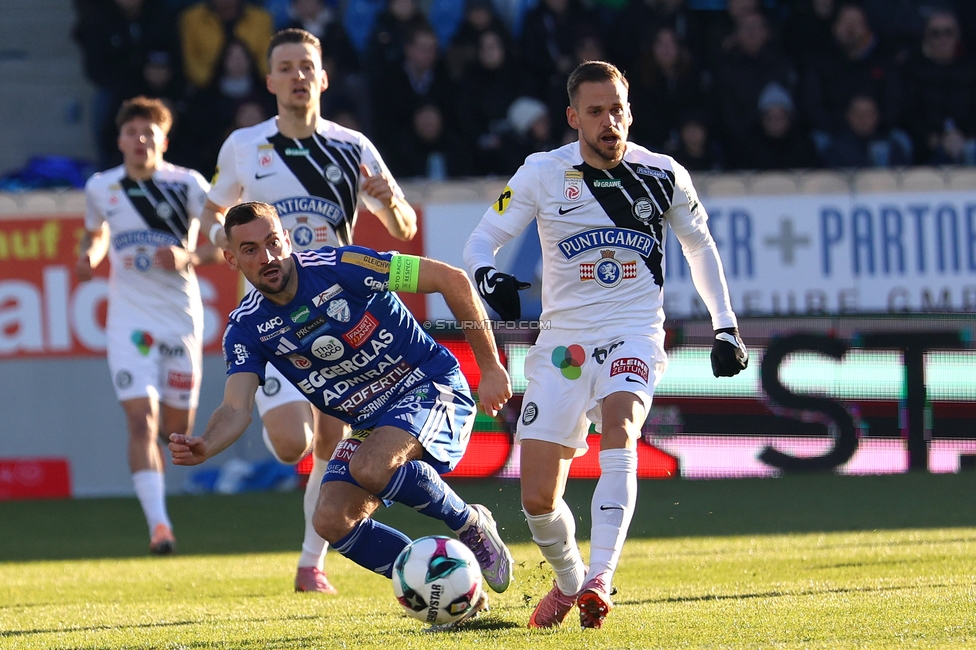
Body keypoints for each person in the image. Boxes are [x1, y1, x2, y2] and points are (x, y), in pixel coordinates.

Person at [463, 61, 748, 629]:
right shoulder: (542, 173)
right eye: (595, 112)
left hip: (634, 332)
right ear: (573, 118)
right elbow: (481, 240)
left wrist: (726, 325)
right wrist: (486, 276)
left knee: (621, 428)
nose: (609, 122)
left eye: (617, 109)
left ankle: (600, 577)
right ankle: (570, 581)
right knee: (538, 500)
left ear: (630, 110)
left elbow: (701, 248)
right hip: (563, 346)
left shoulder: (664, 175)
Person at [168, 201, 514, 627]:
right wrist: (207, 444)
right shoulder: (247, 328)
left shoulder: (344, 265)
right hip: (372, 424)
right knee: (331, 519)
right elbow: (236, 406)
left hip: (429, 387)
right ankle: (441, 589)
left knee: (372, 465)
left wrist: (491, 365)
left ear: (288, 240)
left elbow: (450, 279)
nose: (268, 258)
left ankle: (469, 523)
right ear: (231, 258)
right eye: (251, 250)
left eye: (273, 243)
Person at [202, 27, 418, 594]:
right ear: (270, 80)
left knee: (331, 442)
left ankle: (310, 562)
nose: (298, 75)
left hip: (336, 316)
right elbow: (212, 212)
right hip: (274, 317)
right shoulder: (244, 147)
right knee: (292, 444)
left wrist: (390, 200)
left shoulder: (354, 148)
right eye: (286, 66)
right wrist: (220, 247)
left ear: (323, 79)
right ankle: (315, 553)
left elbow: (403, 228)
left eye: (307, 66)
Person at [75, 96, 218, 555]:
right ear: (119, 139)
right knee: (140, 421)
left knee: (174, 432)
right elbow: (95, 234)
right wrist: (89, 258)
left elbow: (221, 244)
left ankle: (157, 477)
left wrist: (189, 256)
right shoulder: (102, 187)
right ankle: (160, 527)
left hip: (178, 318)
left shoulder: (187, 184)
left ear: (163, 140)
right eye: (132, 132)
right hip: (129, 322)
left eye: (148, 133)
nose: (140, 140)